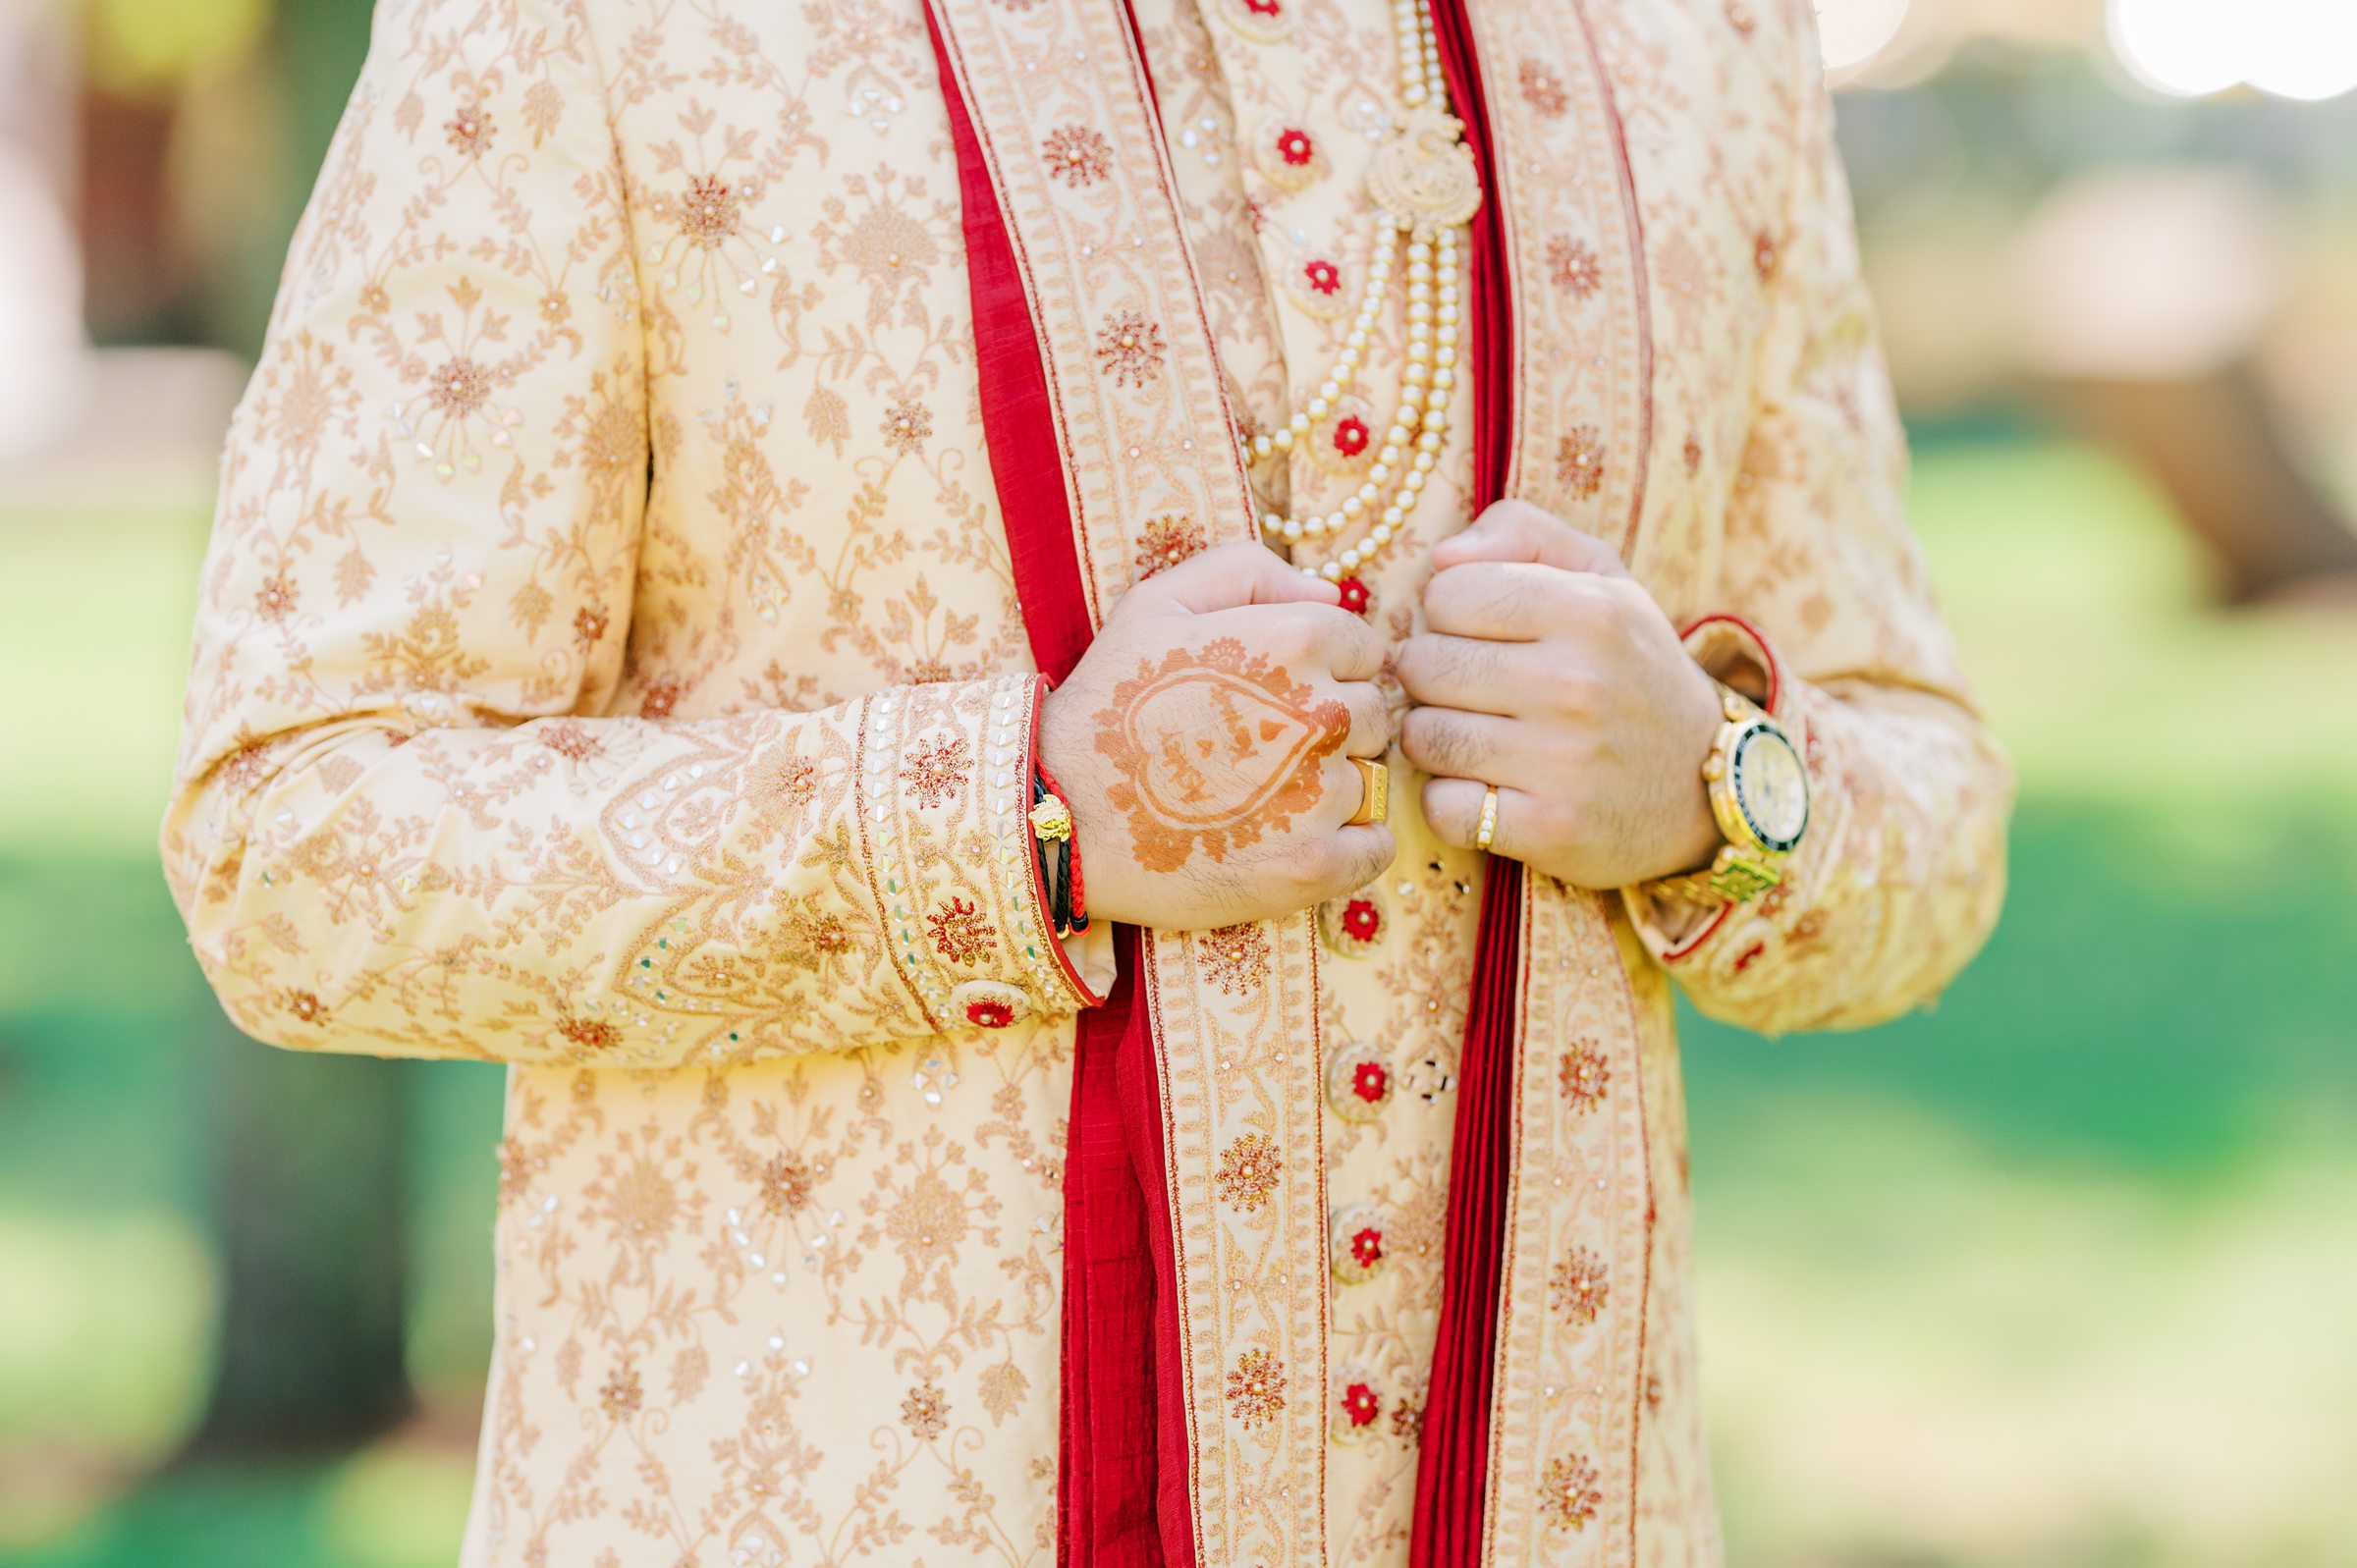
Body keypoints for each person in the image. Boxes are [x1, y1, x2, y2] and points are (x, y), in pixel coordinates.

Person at [161, 0, 2010, 1561]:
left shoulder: (1704, 37)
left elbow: (1937, 802)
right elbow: (295, 832)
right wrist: (1006, 820)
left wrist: (1711, 784)